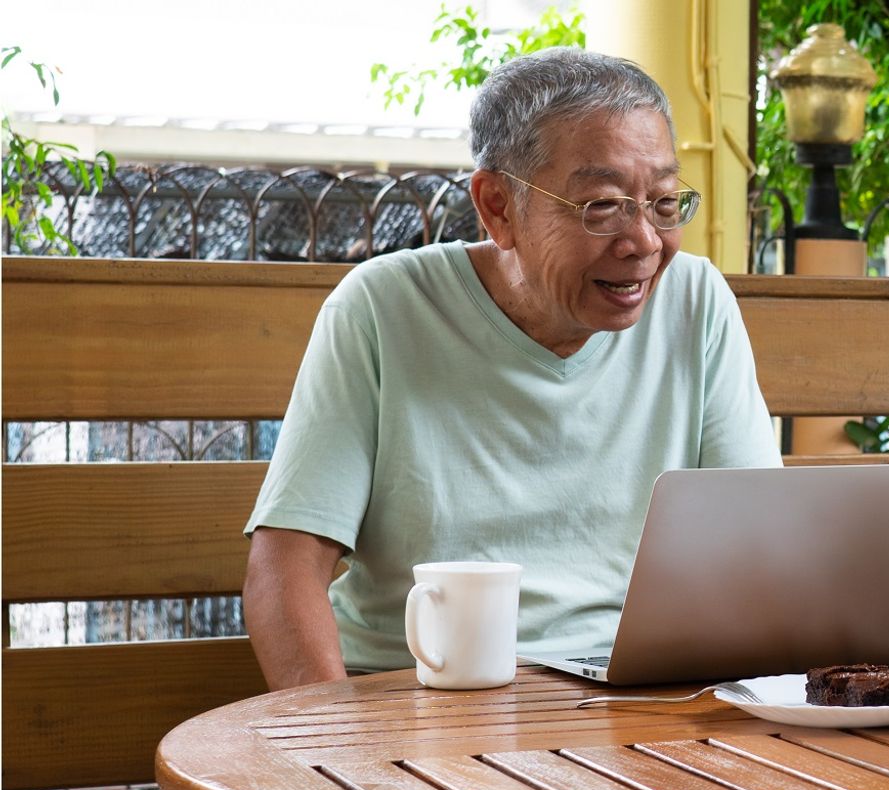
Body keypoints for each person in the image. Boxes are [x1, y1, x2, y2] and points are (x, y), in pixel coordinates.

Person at [243, 47, 781, 690]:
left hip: (627, 700)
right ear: (498, 207)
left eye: (664, 203)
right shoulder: (384, 308)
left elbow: (758, 542)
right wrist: (336, 752)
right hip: (413, 694)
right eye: (603, 206)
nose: (643, 242)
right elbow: (285, 566)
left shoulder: (695, 301)